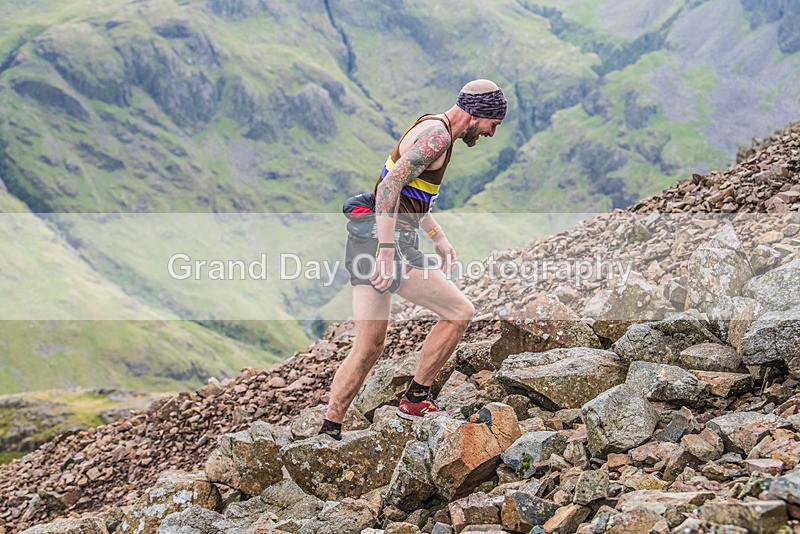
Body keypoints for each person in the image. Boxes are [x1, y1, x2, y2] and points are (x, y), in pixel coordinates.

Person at [318, 79, 507, 439]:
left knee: (369, 346)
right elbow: (387, 189)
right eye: (492, 124)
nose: (491, 134)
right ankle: (416, 399)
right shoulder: (437, 137)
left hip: (365, 240)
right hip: (388, 244)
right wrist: (387, 252)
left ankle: (330, 427)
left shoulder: (433, 126)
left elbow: (406, 191)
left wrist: (438, 236)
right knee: (459, 312)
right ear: (477, 113)